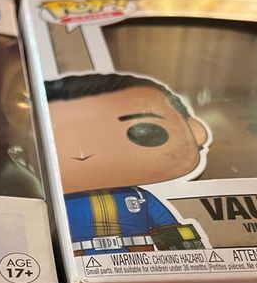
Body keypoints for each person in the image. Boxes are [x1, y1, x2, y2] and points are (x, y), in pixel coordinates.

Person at [46, 73, 211, 255]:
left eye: (148, 131)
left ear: (195, 132)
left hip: (137, 262)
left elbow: (170, 230)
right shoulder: (55, 201)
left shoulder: (141, 196)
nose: (83, 152)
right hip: (76, 261)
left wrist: (191, 255)